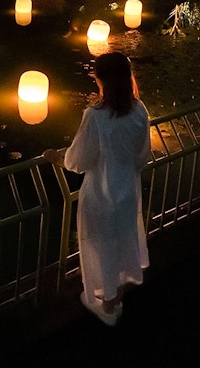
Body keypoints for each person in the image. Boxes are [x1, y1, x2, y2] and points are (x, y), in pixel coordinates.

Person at [44, 52, 151, 327]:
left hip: (100, 193)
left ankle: (108, 306)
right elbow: (143, 155)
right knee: (122, 241)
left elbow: (79, 160)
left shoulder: (95, 117)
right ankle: (116, 297)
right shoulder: (139, 110)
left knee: (100, 245)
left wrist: (59, 158)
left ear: (100, 80)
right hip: (127, 188)